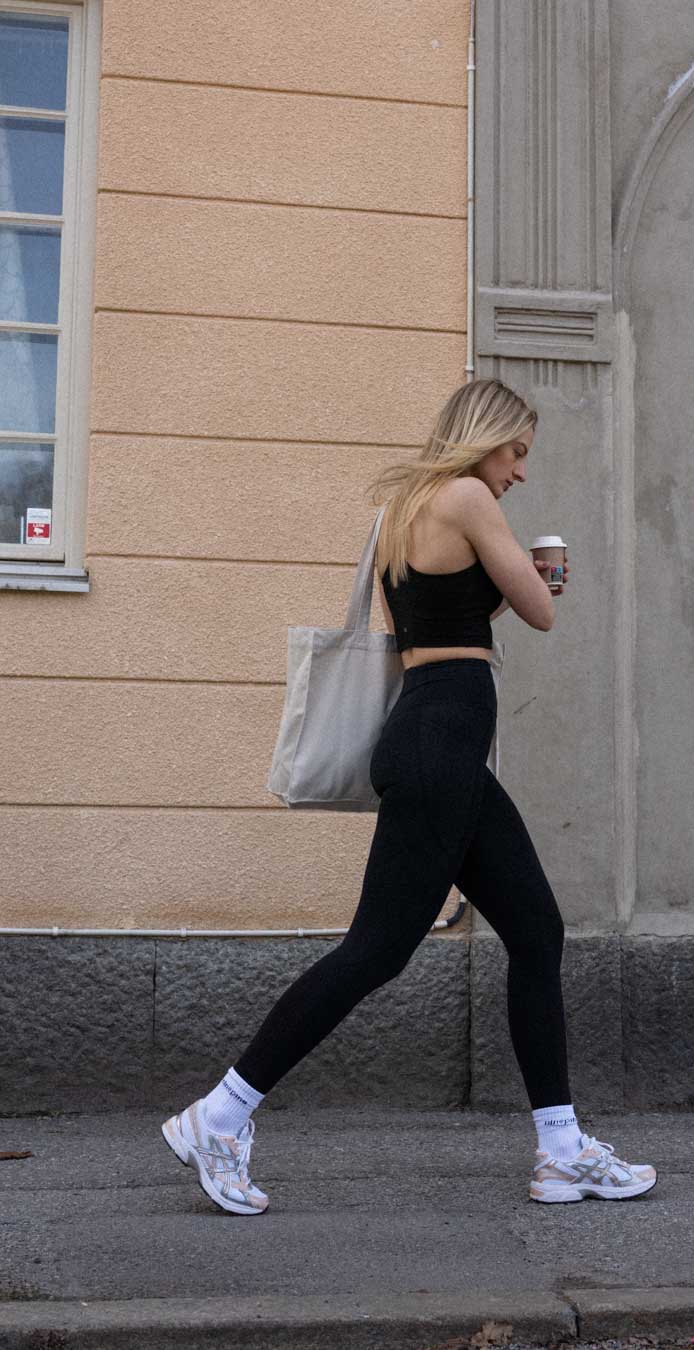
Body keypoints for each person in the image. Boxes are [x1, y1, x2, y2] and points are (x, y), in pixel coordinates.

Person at [160, 378, 657, 1215]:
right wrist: (543, 575)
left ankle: (562, 1149)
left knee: (536, 930)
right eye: (518, 452)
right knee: (376, 950)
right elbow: (538, 613)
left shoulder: (407, 507)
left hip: (435, 741)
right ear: (485, 439)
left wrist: (506, 577)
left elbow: (451, 611)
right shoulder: (466, 494)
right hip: (441, 745)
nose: (519, 474)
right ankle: (221, 1112)